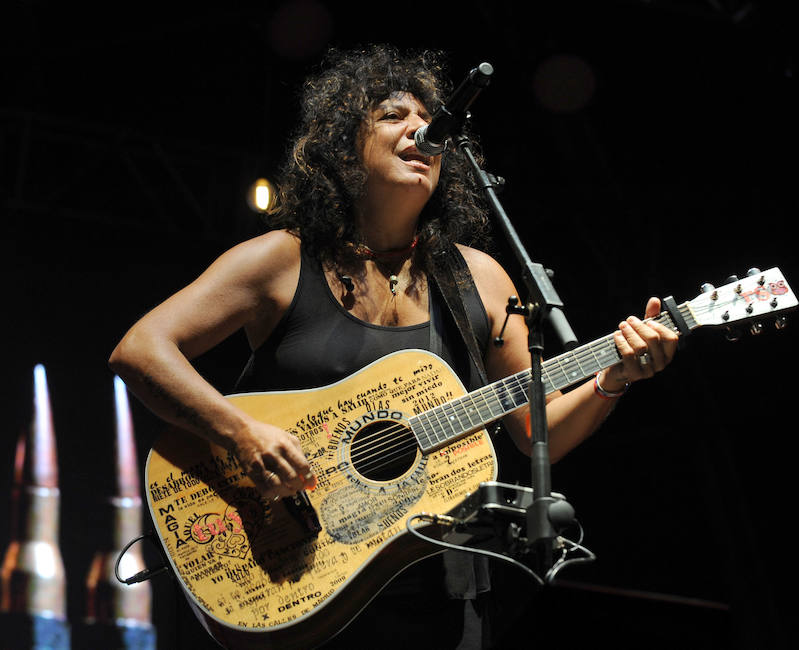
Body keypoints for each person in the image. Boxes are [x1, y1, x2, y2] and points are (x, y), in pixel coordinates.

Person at [109, 44, 679, 649]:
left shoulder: (477, 278)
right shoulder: (282, 260)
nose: (422, 128)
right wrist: (241, 433)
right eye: (392, 114)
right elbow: (141, 350)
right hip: (298, 571)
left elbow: (541, 434)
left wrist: (616, 375)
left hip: (442, 597)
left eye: (430, 118)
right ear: (343, 145)